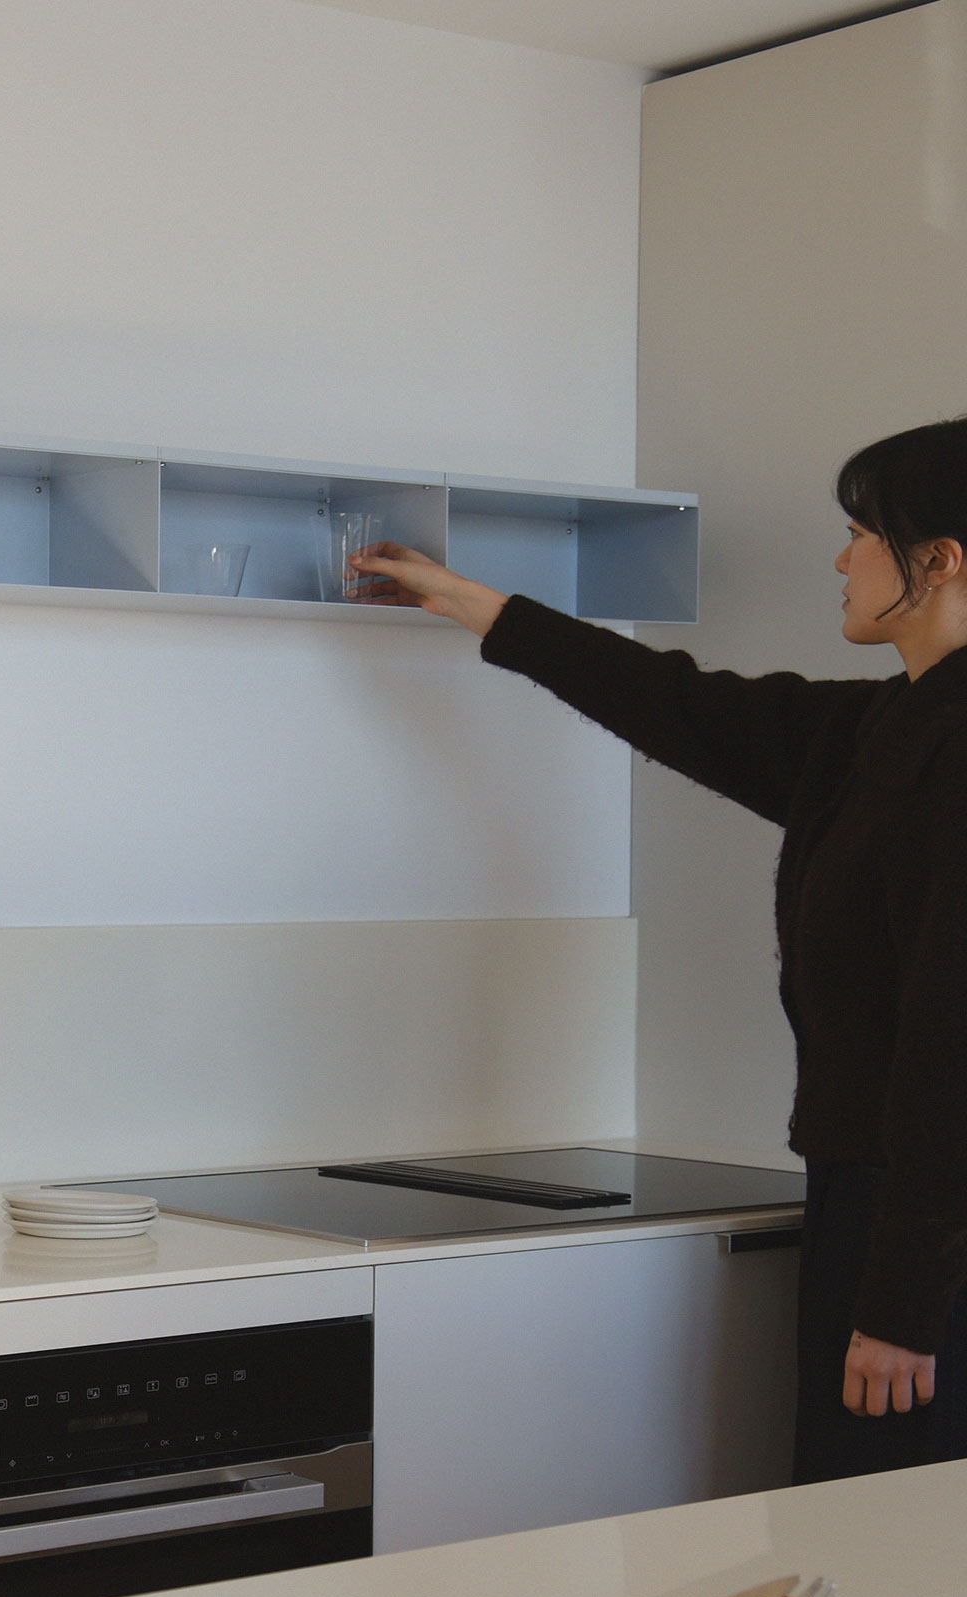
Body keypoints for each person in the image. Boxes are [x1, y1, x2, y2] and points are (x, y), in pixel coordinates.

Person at [352, 418, 967, 1485]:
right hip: (876, 1204)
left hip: (926, 1234)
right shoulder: (878, 731)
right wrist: (466, 602)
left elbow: (953, 1050)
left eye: (861, 533)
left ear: (941, 559)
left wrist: (904, 1304)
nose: (841, 560)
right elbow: (679, 704)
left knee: (893, 1542)